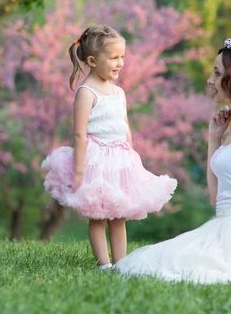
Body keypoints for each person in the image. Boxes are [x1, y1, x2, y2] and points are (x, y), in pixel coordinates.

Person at [114, 38, 231, 283]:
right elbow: (215, 198)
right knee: (153, 261)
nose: (210, 81)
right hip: (222, 223)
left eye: (216, 73)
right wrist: (214, 138)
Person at [41, 25, 177, 270]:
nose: (120, 63)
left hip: (120, 160)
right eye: (114, 58)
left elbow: (125, 126)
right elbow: (79, 134)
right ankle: (104, 264)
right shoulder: (86, 92)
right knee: (98, 215)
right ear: (92, 60)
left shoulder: (118, 92)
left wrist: (133, 157)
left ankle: (121, 263)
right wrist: (80, 171)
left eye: (122, 57)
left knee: (118, 215)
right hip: (95, 160)